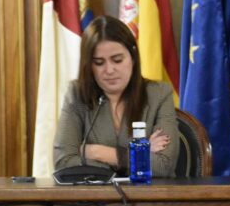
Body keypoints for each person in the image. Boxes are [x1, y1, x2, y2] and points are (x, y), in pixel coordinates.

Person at [54, 15, 180, 177]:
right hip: (96, 194)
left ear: (133, 57)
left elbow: (164, 165)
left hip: (147, 193)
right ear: (89, 65)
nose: (109, 70)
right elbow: (63, 163)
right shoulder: (77, 95)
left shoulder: (159, 94)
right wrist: (141, 154)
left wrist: (97, 152)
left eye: (117, 60)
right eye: (99, 63)